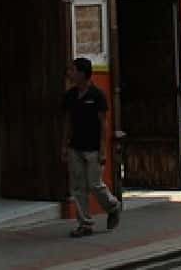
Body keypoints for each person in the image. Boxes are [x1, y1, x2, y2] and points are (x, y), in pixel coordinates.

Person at [61, 57, 121, 238]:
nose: (70, 74)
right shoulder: (70, 96)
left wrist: (103, 149)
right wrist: (64, 145)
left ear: (82, 73)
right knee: (78, 186)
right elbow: (67, 122)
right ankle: (85, 224)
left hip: (93, 147)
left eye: (73, 70)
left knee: (95, 184)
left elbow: (103, 123)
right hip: (75, 147)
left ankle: (113, 206)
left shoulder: (97, 95)